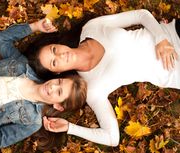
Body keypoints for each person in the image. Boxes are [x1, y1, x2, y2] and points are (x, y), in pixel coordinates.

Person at [25, 9, 180, 146]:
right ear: (57, 72)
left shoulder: (91, 28)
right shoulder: (93, 89)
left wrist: (161, 39)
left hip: (173, 33)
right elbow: (112, 138)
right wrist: (70, 128)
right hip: (175, 71)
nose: (60, 55)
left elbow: (140, 15)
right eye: (54, 62)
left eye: (54, 49)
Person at [0, 19, 87, 150]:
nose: (52, 86)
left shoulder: (32, 121)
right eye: (59, 82)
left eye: (59, 92)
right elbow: (2, 39)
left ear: (58, 106)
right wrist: (35, 26)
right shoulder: (22, 66)